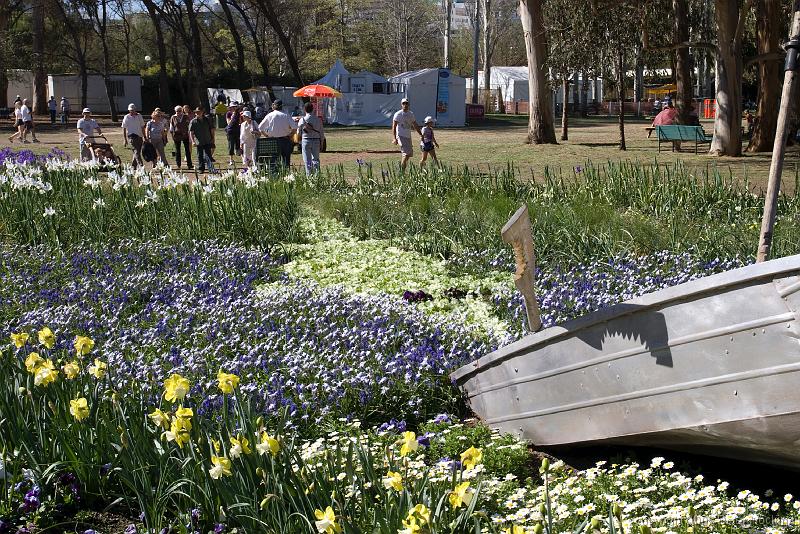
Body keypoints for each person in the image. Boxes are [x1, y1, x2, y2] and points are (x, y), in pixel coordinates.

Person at [258, 99, 295, 168]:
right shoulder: (286, 115)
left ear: (274, 106)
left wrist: (267, 136)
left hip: (273, 140)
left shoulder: (270, 115)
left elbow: (260, 127)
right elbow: (295, 127)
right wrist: (290, 135)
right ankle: (286, 175)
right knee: (286, 161)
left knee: (273, 160)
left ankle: (275, 175)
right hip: (285, 140)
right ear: (282, 106)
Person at [391, 98, 421, 172]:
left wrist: (421, 134)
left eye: (406, 103)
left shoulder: (411, 114)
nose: (405, 105)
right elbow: (394, 126)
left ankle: (402, 170)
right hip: (400, 136)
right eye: (403, 103)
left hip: (408, 136)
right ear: (401, 105)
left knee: (408, 155)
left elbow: (415, 124)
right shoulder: (398, 114)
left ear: (408, 104)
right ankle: (401, 172)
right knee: (406, 154)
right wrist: (394, 138)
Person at [297, 101, 325, 175]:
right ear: (313, 109)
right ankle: (317, 176)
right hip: (316, 140)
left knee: (307, 160)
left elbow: (298, 133)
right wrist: (322, 143)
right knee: (316, 160)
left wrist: (299, 142)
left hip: (306, 140)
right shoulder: (318, 119)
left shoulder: (302, 120)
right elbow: (321, 132)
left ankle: (309, 176)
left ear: (304, 110)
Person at [189, 106, 216, 173]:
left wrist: (213, 138)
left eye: (199, 112)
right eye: (197, 112)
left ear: (202, 112)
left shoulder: (207, 120)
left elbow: (212, 129)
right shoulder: (193, 121)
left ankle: (211, 169)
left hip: (207, 140)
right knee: (200, 156)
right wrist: (192, 141)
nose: (198, 113)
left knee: (208, 155)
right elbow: (191, 132)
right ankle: (201, 169)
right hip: (199, 141)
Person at [122, 103, 146, 168]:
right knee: (136, 151)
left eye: (133, 110)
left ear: (135, 109)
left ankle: (133, 166)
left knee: (136, 151)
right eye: (130, 110)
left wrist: (145, 137)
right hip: (132, 137)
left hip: (139, 136)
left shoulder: (139, 116)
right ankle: (141, 165)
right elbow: (124, 128)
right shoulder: (126, 117)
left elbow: (142, 127)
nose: (132, 111)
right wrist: (125, 139)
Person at [170, 105, 193, 169]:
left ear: (182, 111)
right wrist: (172, 136)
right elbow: (171, 127)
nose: (178, 112)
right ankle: (178, 164)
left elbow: (189, 126)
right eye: (177, 111)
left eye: (179, 111)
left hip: (185, 135)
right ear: (175, 111)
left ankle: (189, 164)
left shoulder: (185, 117)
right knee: (177, 150)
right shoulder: (173, 117)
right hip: (177, 136)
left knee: (187, 150)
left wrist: (189, 134)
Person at [225, 101, 242, 166]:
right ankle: (231, 160)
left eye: (235, 107)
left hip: (237, 131)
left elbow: (240, 122)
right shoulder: (228, 114)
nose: (234, 108)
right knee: (231, 145)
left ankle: (243, 158)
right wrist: (232, 117)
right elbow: (228, 123)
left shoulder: (238, 113)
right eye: (233, 107)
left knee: (238, 145)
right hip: (230, 131)